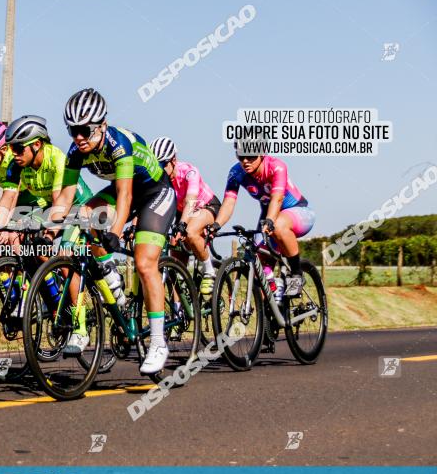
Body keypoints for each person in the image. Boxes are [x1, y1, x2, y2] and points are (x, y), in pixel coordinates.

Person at [53, 88, 176, 374]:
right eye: (73, 131)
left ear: (101, 126)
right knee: (82, 217)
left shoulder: (118, 144)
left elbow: (125, 197)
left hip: (153, 193)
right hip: (123, 191)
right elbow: (66, 198)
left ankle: (158, 342)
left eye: (84, 130)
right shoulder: (75, 151)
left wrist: (115, 233)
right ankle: (110, 277)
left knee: (145, 263)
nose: (78, 137)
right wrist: (47, 222)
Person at [209, 144, 316, 297]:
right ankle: (273, 306)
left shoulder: (276, 167)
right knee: (258, 262)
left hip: (298, 211)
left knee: (278, 226)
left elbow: (277, 199)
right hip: (269, 215)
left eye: (251, 156)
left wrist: (270, 221)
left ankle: (296, 273)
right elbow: (229, 202)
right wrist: (216, 225)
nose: (245, 161)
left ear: (262, 154)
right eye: (241, 156)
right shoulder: (236, 172)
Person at [149, 136, 221, 295]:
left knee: (189, 231)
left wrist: (182, 225)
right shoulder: (158, 178)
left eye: (163, 164)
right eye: (156, 165)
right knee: (176, 263)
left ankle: (209, 270)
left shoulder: (189, 172)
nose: (159, 169)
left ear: (173, 160)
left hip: (205, 205)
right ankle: (179, 309)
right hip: (182, 211)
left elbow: (191, 201)